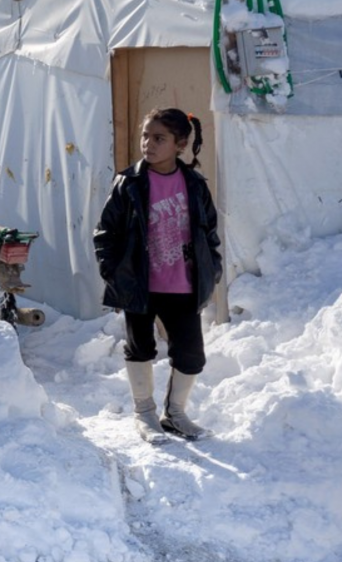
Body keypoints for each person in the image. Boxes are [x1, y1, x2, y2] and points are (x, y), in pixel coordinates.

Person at [93, 108, 222, 443]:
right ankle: (145, 413)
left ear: (179, 144)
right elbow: (106, 232)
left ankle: (176, 414)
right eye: (145, 136)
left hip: (183, 283)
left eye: (159, 138)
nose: (148, 143)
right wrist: (113, 273)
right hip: (139, 283)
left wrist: (213, 268)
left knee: (191, 355)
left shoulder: (193, 184)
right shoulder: (130, 182)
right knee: (141, 348)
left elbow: (209, 232)